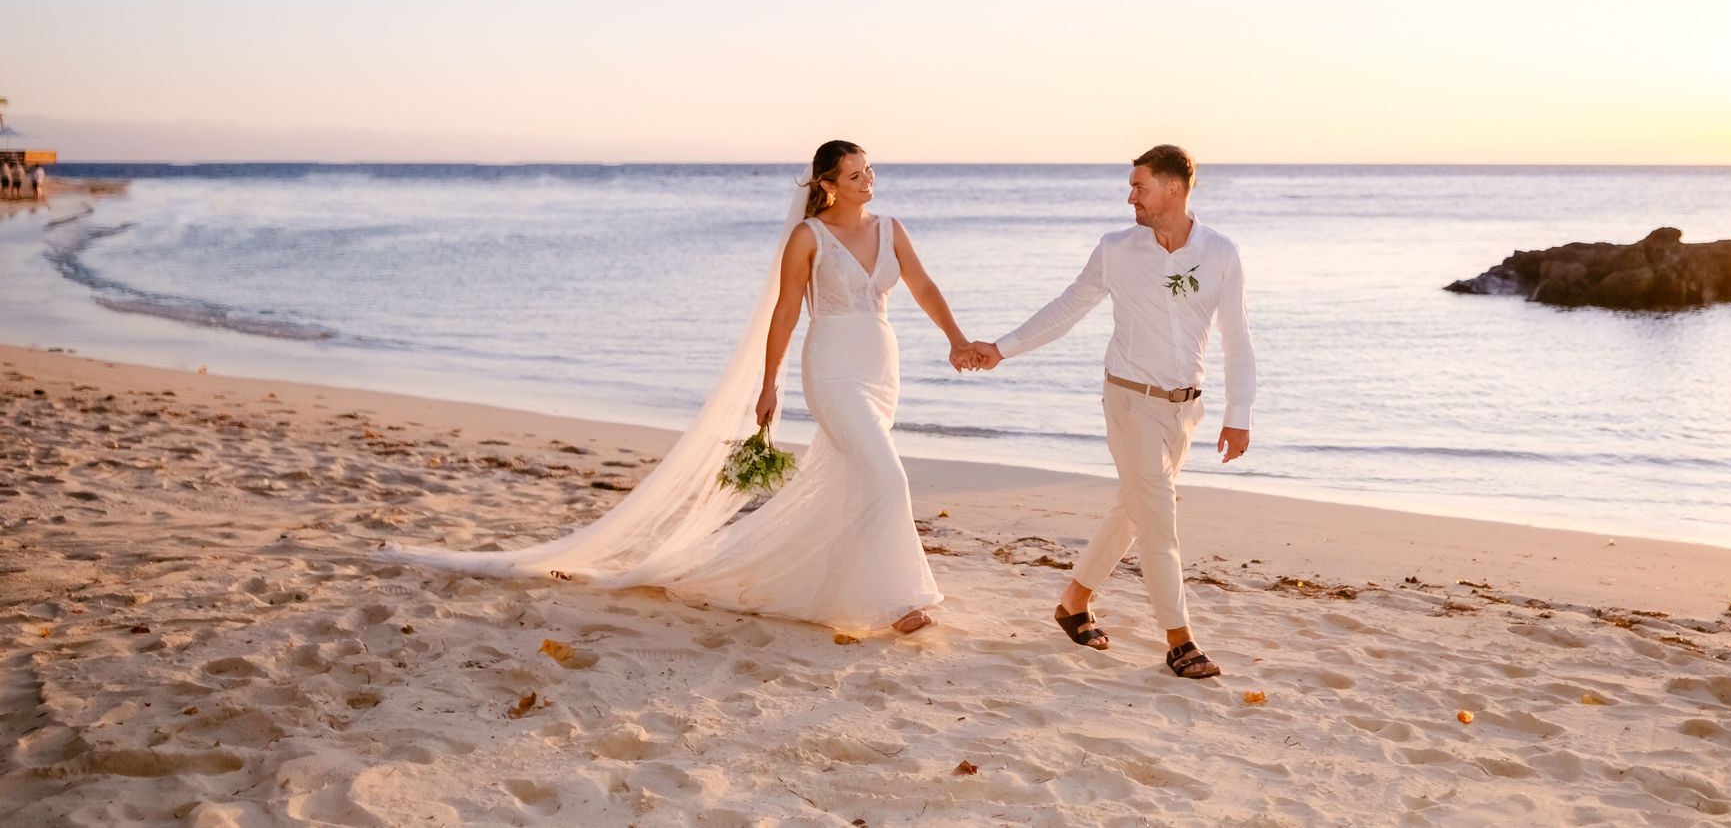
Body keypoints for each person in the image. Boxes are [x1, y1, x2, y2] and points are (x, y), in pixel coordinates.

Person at [386, 140, 972, 636]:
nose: (868, 180)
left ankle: (846, 590)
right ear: (828, 185)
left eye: (870, 170)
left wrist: (955, 338)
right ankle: (903, 603)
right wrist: (769, 385)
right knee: (888, 477)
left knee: (854, 482)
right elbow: (786, 312)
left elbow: (922, 287)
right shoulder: (808, 237)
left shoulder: (891, 229)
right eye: (854, 174)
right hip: (833, 371)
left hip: (880, 370)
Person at [961, 145, 1257, 680]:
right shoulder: (1116, 249)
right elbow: (1068, 307)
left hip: (1185, 411)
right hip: (1129, 402)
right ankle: (1180, 641)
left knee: (1134, 509)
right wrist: (1001, 348)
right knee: (1159, 520)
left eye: (1139, 186)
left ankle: (1074, 601)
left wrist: (1239, 413)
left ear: (1173, 188)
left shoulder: (1221, 253)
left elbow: (1237, 337)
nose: (1130, 196)